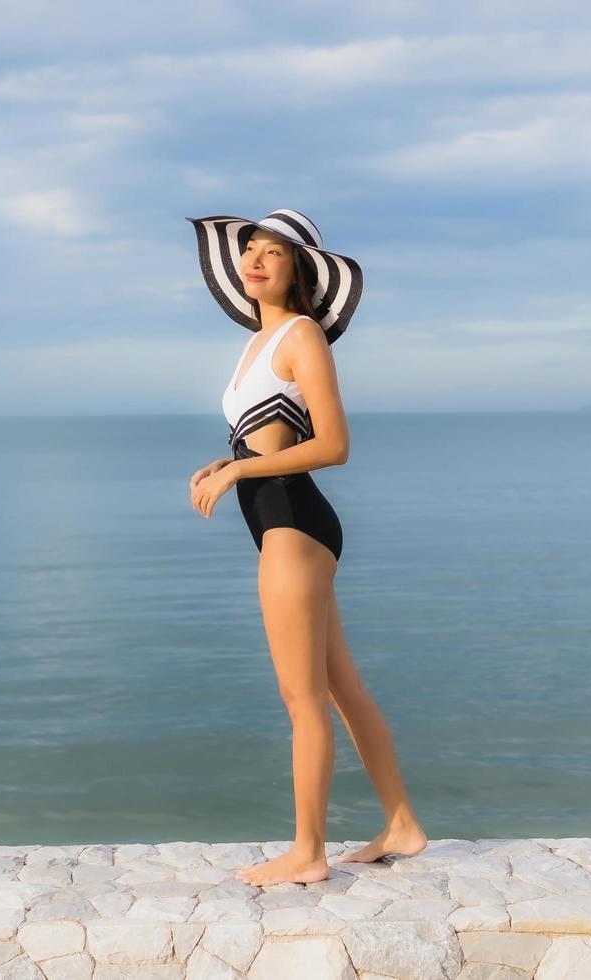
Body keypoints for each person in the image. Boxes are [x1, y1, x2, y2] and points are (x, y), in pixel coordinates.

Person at [185, 208, 427, 887]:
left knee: (302, 699)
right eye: (250, 251)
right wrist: (221, 462)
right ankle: (403, 825)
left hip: (295, 523)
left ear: (300, 272)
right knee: (341, 686)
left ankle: (308, 853)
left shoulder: (302, 335)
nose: (255, 260)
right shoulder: (258, 345)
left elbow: (333, 446)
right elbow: (266, 439)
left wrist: (237, 471)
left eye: (273, 253)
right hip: (282, 521)